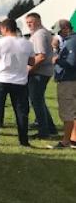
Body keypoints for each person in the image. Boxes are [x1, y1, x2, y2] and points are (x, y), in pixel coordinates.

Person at [0, 19, 34, 147]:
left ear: (4, 29)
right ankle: (23, 141)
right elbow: (32, 62)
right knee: (22, 111)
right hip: (20, 81)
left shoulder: (0, 42)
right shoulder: (27, 43)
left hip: (2, 79)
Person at [25, 12, 57, 139]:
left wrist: (29, 71)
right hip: (43, 71)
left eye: (31, 22)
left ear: (38, 21)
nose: (29, 25)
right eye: (27, 23)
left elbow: (41, 56)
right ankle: (50, 128)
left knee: (36, 101)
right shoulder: (42, 33)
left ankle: (44, 132)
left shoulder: (39, 34)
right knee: (39, 100)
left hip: (39, 72)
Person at [48, 19, 76, 149]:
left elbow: (71, 63)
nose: (58, 35)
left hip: (68, 80)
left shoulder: (71, 42)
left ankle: (66, 141)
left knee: (67, 111)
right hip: (70, 79)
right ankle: (72, 138)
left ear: (65, 28)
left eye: (59, 32)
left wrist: (56, 59)